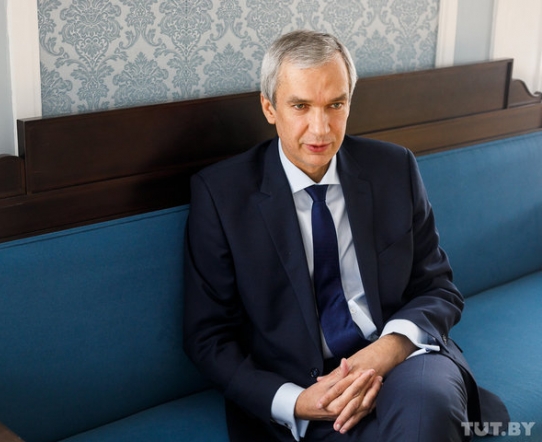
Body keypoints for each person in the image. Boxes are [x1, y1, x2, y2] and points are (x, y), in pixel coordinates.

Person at [183, 30, 508, 441]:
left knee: (428, 412)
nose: (320, 129)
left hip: (402, 358)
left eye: (335, 105)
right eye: (300, 106)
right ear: (269, 107)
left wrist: (387, 350)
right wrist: (295, 402)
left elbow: (438, 287)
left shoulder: (394, 168)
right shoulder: (221, 195)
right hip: (304, 389)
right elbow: (208, 337)